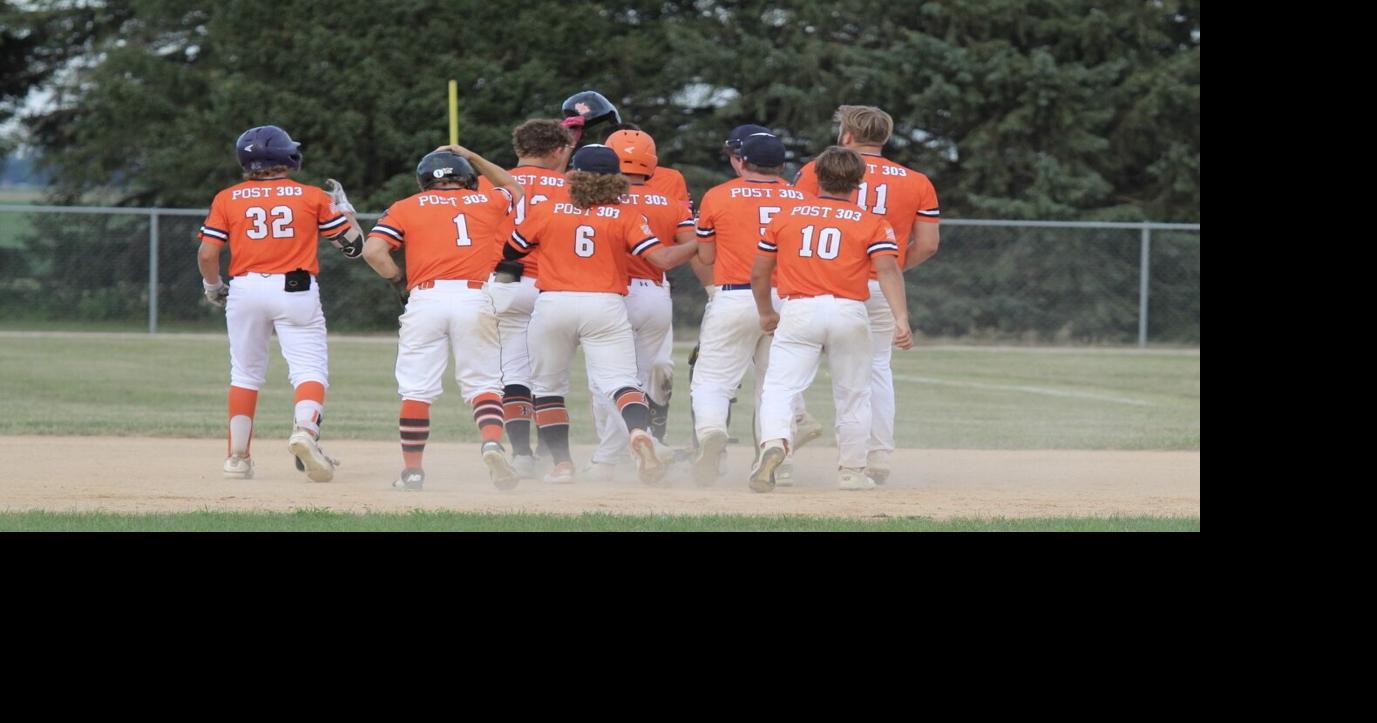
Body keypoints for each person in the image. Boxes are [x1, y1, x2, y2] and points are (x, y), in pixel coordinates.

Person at [498, 145, 699, 484]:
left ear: (572, 174)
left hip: (554, 303)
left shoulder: (548, 208)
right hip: (604, 304)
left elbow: (512, 249)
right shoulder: (624, 214)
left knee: (548, 387)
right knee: (621, 382)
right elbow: (663, 259)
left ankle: (562, 465)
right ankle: (639, 432)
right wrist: (701, 241)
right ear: (615, 180)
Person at [197, 124, 364, 482]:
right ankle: (305, 431)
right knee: (308, 371)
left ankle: (237, 458)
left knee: (244, 374)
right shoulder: (312, 196)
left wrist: (213, 286)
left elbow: (208, 252)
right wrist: (345, 208)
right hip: (296, 288)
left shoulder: (227, 198)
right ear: (286, 156)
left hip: (244, 289)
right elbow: (353, 246)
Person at [750, 146, 914, 492]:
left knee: (779, 387)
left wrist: (766, 310)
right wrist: (901, 318)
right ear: (858, 181)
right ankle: (851, 470)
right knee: (854, 392)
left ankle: (775, 444)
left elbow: (760, 273)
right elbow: (887, 270)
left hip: (799, 309)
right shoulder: (872, 222)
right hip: (848, 311)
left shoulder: (786, 215)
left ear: (817, 177)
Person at [361, 145, 525, 491]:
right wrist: (475, 156)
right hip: (474, 296)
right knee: (483, 384)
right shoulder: (489, 200)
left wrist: (397, 280)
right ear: (467, 177)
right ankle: (493, 442)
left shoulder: (406, 206)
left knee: (417, 389)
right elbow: (514, 187)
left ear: (423, 180)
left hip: (427, 297)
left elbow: (373, 251)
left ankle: (413, 473)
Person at [793, 105, 940, 483]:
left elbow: (797, 223)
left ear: (847, 134)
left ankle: (786, 441)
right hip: (878, 286)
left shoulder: (817, 169)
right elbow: (927, 244)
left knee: (793, 364)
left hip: (823, 283)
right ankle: (877, 457)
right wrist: (889, 269)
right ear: (884, 137)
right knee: (875, 369)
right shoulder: (916, 180)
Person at [689, 132, 817, 486]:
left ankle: (712, 431)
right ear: (781, 166)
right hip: (789, 298)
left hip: (735, 294)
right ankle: (778, 457)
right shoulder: (801, 198)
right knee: (776, 385)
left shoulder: (718, 195)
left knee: (713, 379)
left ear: (741, 161)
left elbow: (706, 255)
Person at [581, 129, 697, 480]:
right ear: (652, 162)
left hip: (611, 293)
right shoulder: (673, 203)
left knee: (610, 381)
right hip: (655, 295)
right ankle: (640, 446)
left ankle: (608, 457)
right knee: (646, 378)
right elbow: (693, 245)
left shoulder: (598, 203)